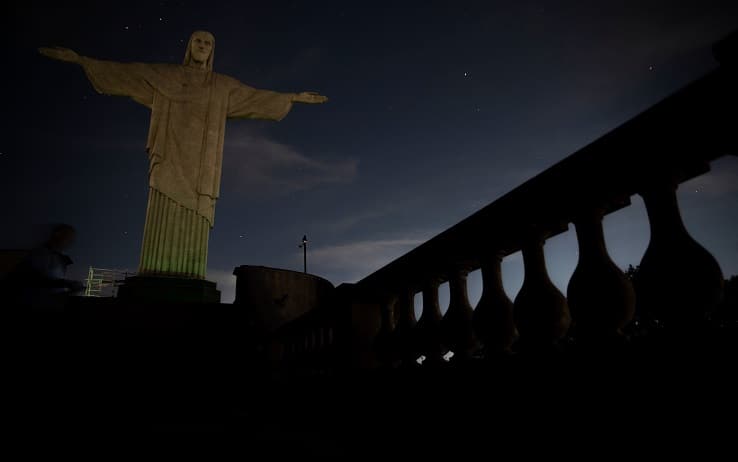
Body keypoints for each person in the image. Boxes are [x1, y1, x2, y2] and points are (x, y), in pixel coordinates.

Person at [4, 224, 85, 310]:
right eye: (68, 237)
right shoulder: (40, 255)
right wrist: (67, 284)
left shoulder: (58, 258)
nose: (71, 241)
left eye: (71, 239)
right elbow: (36, 281)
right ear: (57, 234)